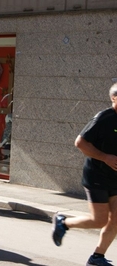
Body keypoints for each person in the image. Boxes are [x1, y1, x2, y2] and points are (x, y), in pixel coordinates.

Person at [52, 83, 117, 266]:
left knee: (116, 220)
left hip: (114, 177)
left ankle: (97, 257)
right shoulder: (104, 118)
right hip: (96, 176)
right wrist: (105, 157)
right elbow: (80, 143)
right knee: (100, 220)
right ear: (114, 98)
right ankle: (63, 223)